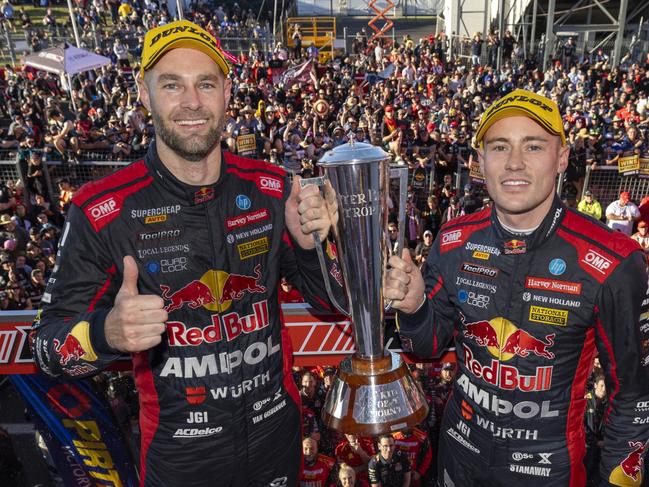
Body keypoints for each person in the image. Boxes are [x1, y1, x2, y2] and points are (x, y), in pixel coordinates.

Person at [29, 20, 344, 487]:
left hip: (278, 446)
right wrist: (107, 333)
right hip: (180, 463)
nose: (193, 102)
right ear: (144, 93)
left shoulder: (272, 188)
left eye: (206, 84)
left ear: (226, 93)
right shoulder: (101, 210)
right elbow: (46, 350)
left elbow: (330, 304)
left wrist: (319, 245)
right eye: (172, 84)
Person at [384, 89, 649, 486]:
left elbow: (633, 400)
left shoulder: (613, 260)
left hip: (550, 471)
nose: (514, 163)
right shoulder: (455, 239)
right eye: (499, 146)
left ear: (561, 158)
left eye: (534, 146)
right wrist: (415, 306)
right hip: (459, 458)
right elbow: (427, 346)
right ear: (480, 161)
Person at [584, 374, 607, 486]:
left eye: (606, 386)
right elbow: (581, 425)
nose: (604, 389)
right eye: (602, 386)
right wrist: (594, 441)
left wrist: (604, 441)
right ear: (595, 385)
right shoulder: (586, 400)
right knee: (585, 473)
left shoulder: (608, 403)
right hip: (587, 445)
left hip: (602, 446)